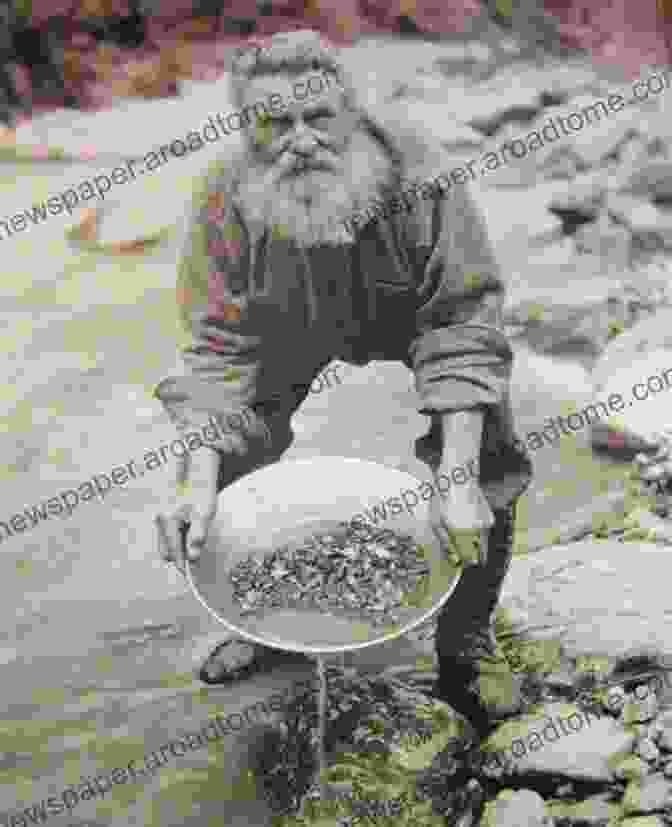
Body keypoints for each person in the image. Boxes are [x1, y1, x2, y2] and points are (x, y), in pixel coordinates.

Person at [154, 29, 533, 736]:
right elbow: (217, 349)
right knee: (223, 450)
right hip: (286, 326)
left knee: (486, 448)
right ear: (247, 131)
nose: (301, 140)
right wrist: (193, 479)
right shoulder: (221, 196)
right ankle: (263, 618)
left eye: (318, 117)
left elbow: (462, 320)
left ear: (352, 114)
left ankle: (465, 638)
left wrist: (454, 474)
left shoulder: (420, 168)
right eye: (275, 123)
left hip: (407, 312)